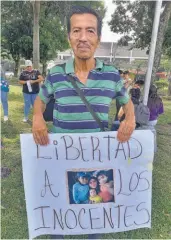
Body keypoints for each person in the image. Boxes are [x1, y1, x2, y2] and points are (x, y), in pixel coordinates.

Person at [32, 5, 135, 239]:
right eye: (76, 31)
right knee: (59, 216)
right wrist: (38, 116)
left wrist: (130, 117)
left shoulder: (111, 75)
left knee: (94, 218)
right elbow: (40, 100)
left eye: (90, 31)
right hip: (60, 160)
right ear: (69, 37)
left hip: (97, 162)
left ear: (98, 38)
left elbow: (126, 102)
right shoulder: (56, 74)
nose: (83, 38)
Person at [147, 84, 164, 152]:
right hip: (154, 120)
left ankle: (152, 149)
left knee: (150, 133)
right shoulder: (159, 99)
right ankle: (153, 148)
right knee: (152, 132)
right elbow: (161, 111)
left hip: (147, 120)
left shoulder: (145, 99)